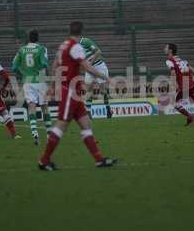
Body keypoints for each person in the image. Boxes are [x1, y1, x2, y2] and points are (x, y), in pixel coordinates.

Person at [38, 21, 117, 171]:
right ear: (81, 32)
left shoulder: (63, 46)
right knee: (61, 125)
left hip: (73, 90)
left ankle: (99, 159)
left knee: (86, 123)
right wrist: (105, 77)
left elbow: (55, 66)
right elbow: (86, 67)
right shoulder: (76, 47)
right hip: (69, 90)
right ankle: (44, 160)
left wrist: (54, 86)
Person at [12, 29, 52, 145]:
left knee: (31, 106)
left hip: (27, 81)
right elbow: (44, 64)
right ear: (38, 38)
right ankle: (49, 133)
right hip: (40, 80)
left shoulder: (21, 50)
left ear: (29, 38)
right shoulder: (41, 49)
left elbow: (14, 67)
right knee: (44, 106)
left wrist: (23, 74)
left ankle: (35, 132)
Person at [79, 36, 112, 118]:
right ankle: (88, 112)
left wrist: (90, 63)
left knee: (102, 90)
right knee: (89, 90)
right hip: (89, 69)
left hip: (99, 66)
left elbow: (98, 52)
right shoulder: (75, 46)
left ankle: (108, 109)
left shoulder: (86, 41)